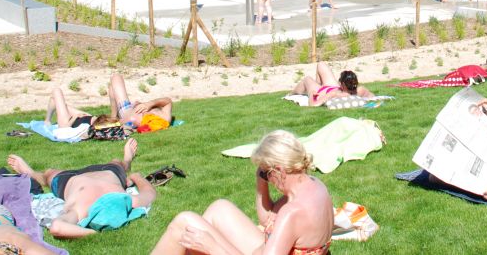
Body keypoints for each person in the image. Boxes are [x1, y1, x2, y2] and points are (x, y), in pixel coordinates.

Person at [150, 130, 333, 255]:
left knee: (185, 222)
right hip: (265, 249)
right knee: (219, 209)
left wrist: (213, 247)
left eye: (266, 173)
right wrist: (261, 180)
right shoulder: (313, 186)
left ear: (279, 170)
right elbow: (266, 219)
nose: (266, 178)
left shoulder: (292, 212)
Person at [7, 139, 155, 238]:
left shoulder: (81, 210)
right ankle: (127, 160)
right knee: (118, 163)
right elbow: (149, 193)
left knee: (48, 174)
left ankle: (30, 173)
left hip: (68, 180)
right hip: (108, 172)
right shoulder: (128, 200)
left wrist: (93, 234)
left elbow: (57, 227)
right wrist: (136, 177)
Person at [107, 73, 174, 130]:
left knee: (116, 77)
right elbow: (168, 101)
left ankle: (113, 116)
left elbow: (121, 123)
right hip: (133, 108)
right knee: (112, 88)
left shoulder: (134, 119)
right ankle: (114, 116)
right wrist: (149, 104)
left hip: (126, 110)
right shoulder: (164, 117)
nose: (145, 113)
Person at [289, 61, 374, 106]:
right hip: (333, 87)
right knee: (321, 64)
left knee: (307, 79)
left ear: (343, 84)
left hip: (320, 91)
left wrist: (311, 94)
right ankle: (317, 83)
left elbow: (314, 105)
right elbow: (373, 97)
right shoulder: (360, 90)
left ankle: (291, 94)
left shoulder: (335, 94)